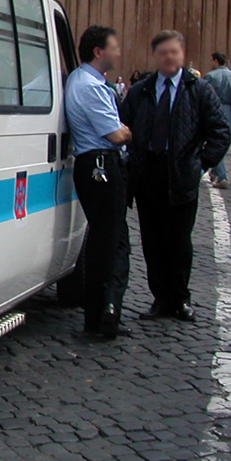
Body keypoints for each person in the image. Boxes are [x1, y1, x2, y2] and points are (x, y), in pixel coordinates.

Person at [120, 30, 230, 322]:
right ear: (156, 56)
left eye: (174, 52)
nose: (169, 57)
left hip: (180, 174)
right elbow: (122, 124)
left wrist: (200, 163)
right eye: (163, 52)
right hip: (147, 173)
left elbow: (220, 131)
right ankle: (160, 299)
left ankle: (180, 298)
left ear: (182, 55)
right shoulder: (142, 90)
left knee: (179, 241)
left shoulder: (199, 89)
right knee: (152, 241)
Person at [64, 25, 133, 338]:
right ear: (98, 51)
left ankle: (102, 311)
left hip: (93, 165)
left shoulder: (82, 81)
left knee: (107, 240)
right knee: (112, 242)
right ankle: (104, 312)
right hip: (102, 164)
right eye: (114, 47)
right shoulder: (90, 85)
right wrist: (129, 130)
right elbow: (116, 134)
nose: (118, 52)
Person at [204, 51, 231, 189]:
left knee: (215, 144)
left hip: (214, 110)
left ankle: (222, 175)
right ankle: (215, 172)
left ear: (215, 61)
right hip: (229, 112)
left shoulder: (211, 76)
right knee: (223, 143)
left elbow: (205, 95)